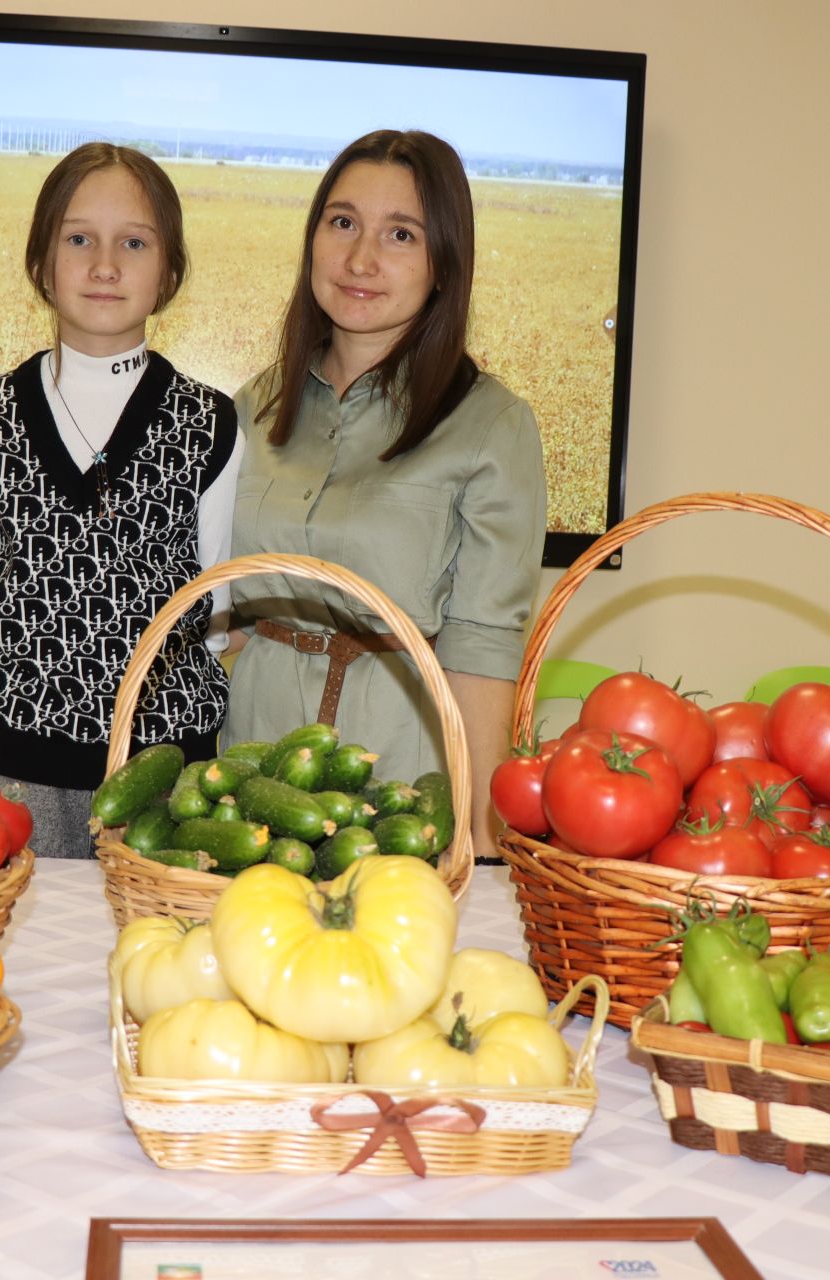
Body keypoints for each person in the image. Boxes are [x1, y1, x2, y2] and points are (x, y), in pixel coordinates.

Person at [225, 129, 546, 847]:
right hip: (247, 774)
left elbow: (483, 651)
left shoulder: (492, 426)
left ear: (443, 264)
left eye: (401, 234)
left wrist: (480, 848)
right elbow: (222, 604)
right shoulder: (258, 404)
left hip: (399, 785)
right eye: (342, 223)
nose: (361, 259)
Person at [0, 143, 243, 857]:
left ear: (168, 271)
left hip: (166, 774)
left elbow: (215, 611)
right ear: (41, 263)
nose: (105, 265)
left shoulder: (210, 423)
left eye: (134, 243)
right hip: (16, 769)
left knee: (158, 957)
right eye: (79, 239)